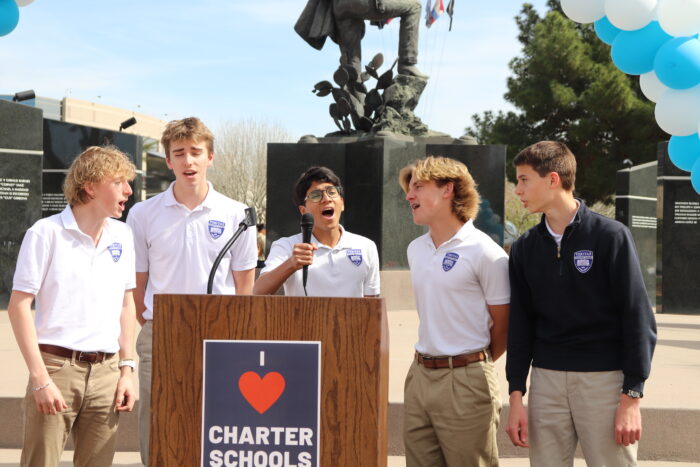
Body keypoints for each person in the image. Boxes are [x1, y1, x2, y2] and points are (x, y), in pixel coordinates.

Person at [505, 141, 657, 466]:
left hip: (604, 380)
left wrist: (632, 395)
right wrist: (516, 394)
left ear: (553, 179)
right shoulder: (524, 249)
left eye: (523, 179)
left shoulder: (610, 236)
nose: (517, 189)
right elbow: (520, 325)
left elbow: (637, 317)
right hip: (545, 381)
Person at [126, 117, 258, 465]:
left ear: (210, 158)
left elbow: (245, 284)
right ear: (168, 161)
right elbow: (137, 286)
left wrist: (236, 332)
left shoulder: (237, 214)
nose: (188, 161)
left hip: (222, 332)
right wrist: (152, 322)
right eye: (179, 153)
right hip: (161, 332)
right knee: (157, 419)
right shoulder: (142, 214)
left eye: (195, 152)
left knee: (217, 418)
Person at [9, 146, 138, 466]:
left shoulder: (122, 235)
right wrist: (40, 378)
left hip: (108, 374)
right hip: (56, 369)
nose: (129, 190)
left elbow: (126, 305)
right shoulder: (45, 233)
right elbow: (19, 306)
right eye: (120, 181)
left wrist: (127, 369)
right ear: (90, 186)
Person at [399, 156, 509, 466]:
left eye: (418, 187)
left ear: (448, 189)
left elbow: (503, 327)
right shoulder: (415, 249)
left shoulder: (486, 252)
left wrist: (468, 366)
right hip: (419, 376)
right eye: (409, 189)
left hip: (466, 380)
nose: (409, 196)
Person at [253, 166, 379, 297]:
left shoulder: (366, 246)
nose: (326, 199)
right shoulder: (286, 246)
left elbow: (373, 305)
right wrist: (291, 264)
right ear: (303, 211)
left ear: (342, 203)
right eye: (316, 195)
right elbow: (258, 291)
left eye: (332, 192)